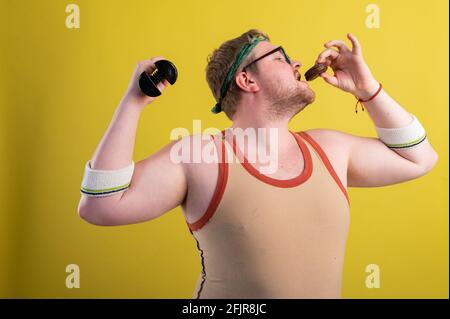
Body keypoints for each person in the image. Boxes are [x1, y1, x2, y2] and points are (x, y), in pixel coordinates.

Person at [77, 29, 439, 298]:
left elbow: (420, 159)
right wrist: (134, 100)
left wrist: (367, 87)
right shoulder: (202, 156)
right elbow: (100, 206)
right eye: (281, 58)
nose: (297, 63)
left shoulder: (330, 148)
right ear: (246, 79)